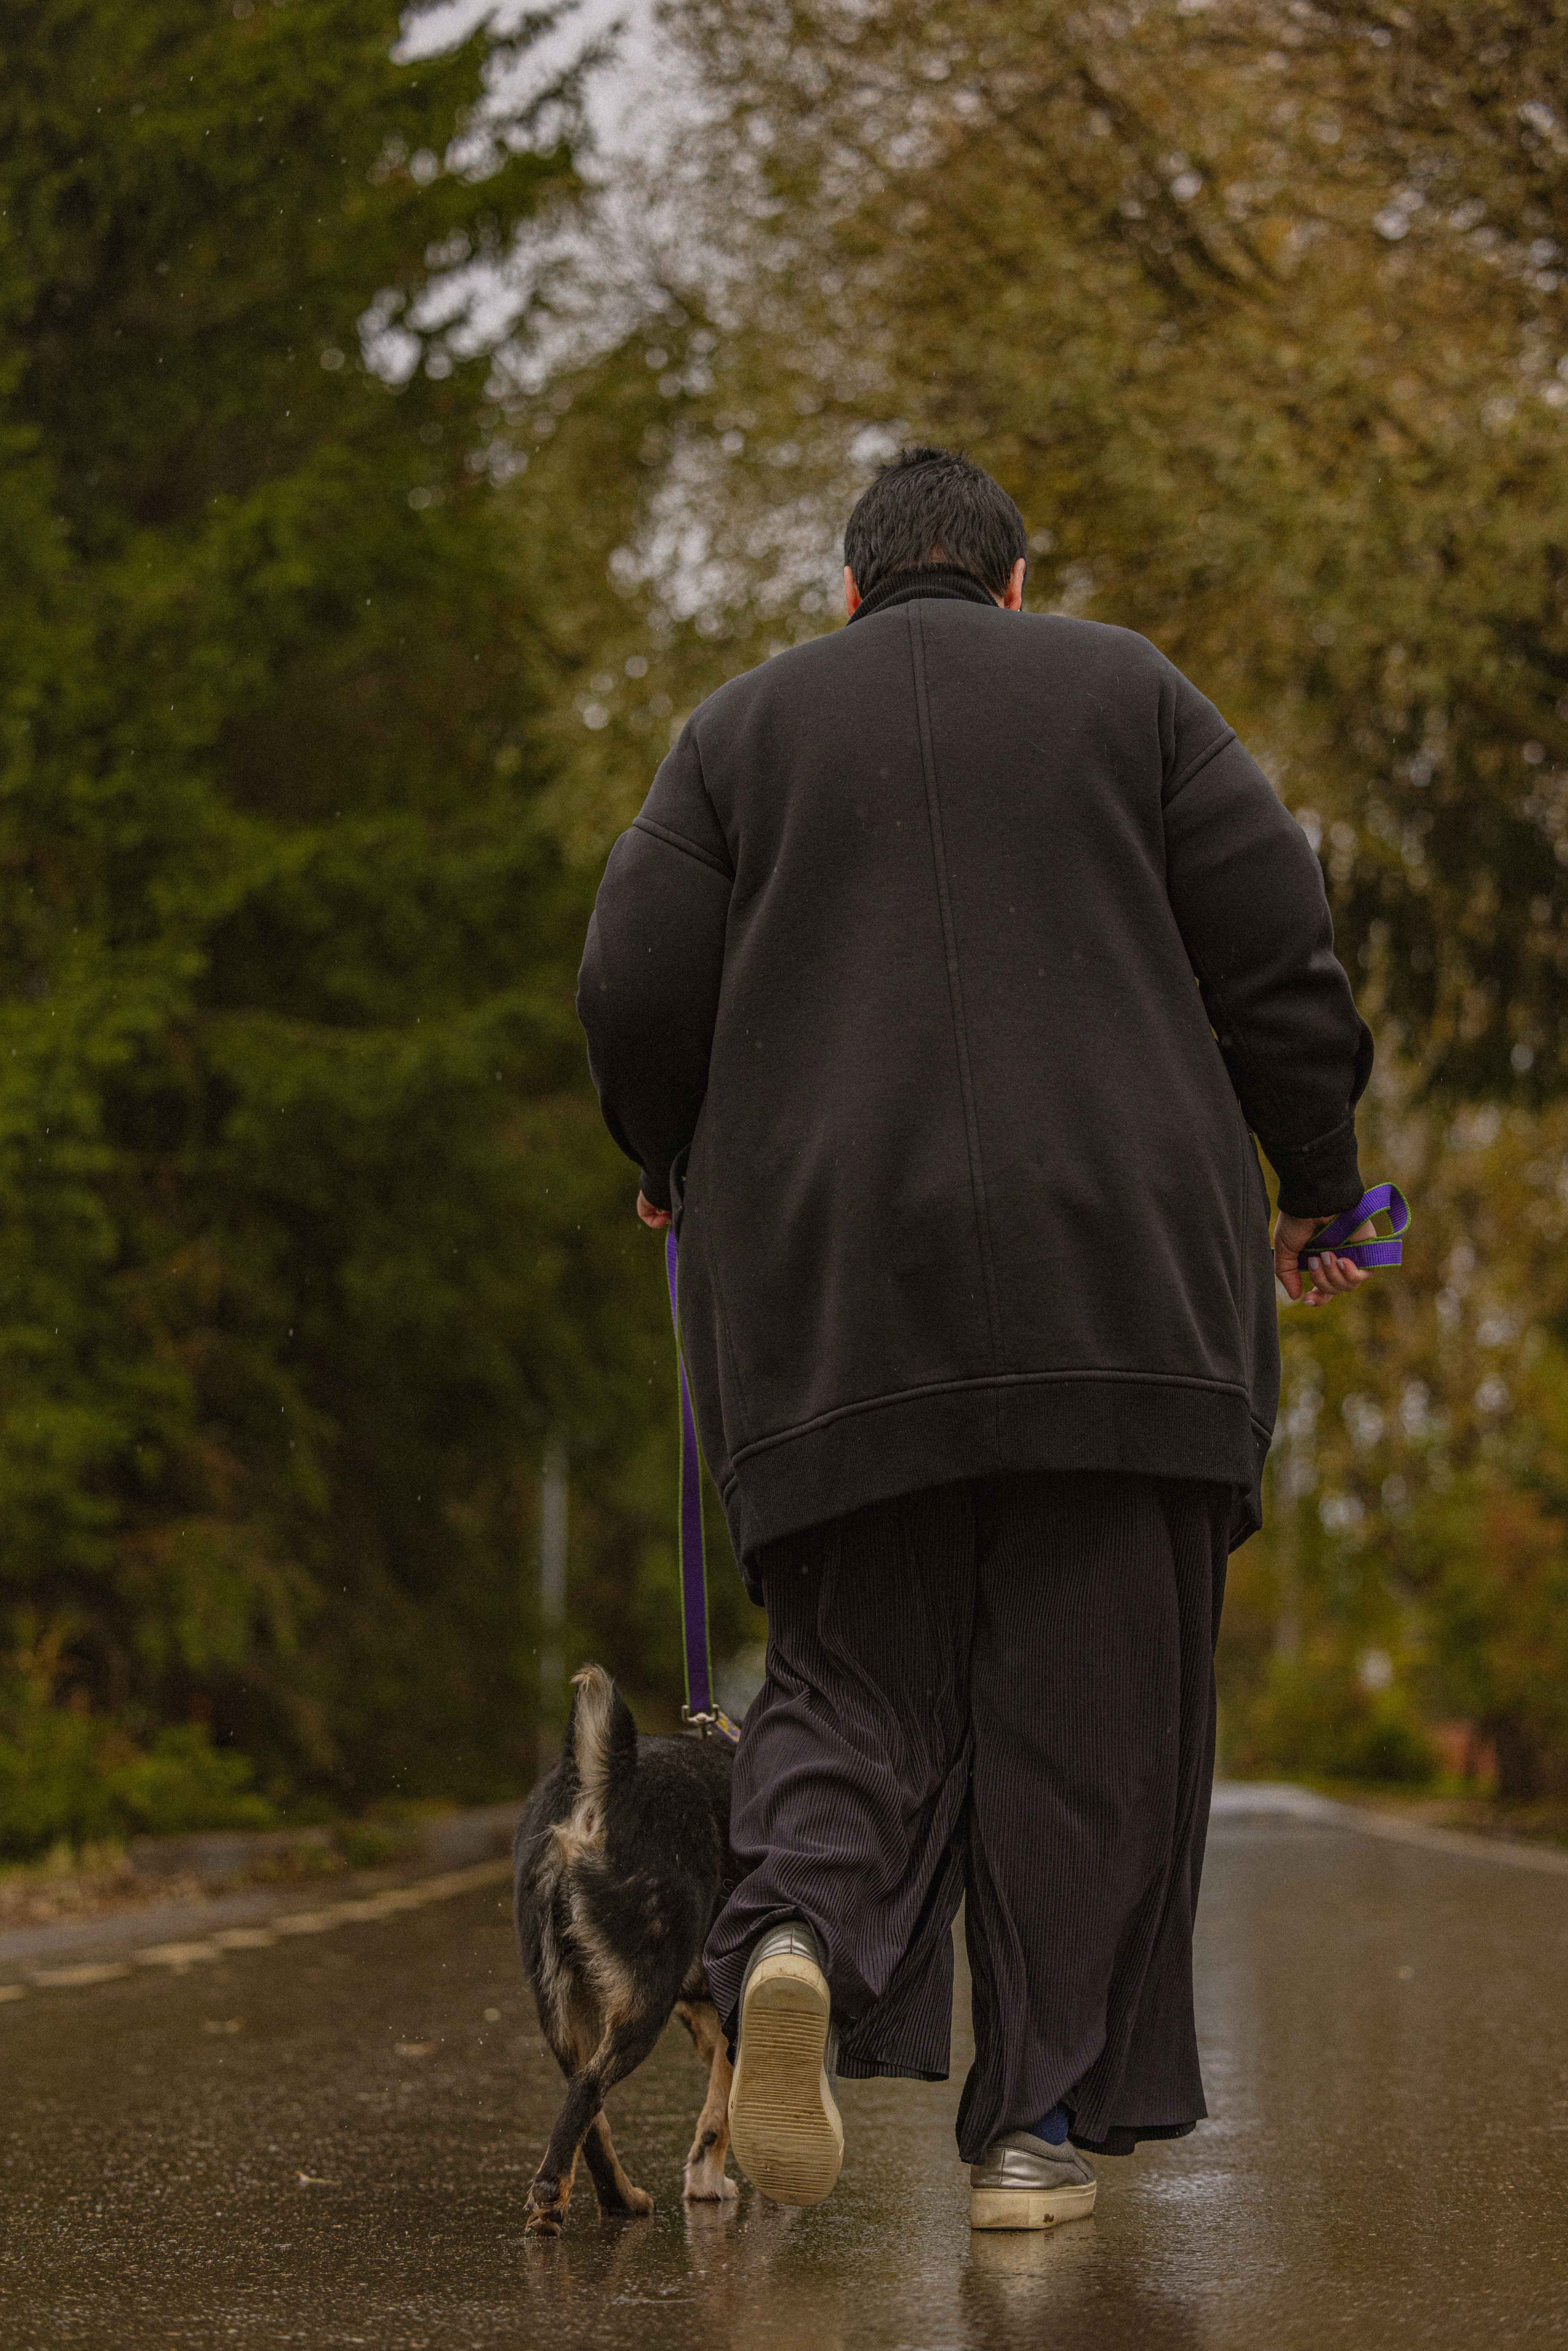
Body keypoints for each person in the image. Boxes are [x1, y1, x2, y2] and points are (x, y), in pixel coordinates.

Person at [576, 447, 1374, 2230]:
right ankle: (1033, 2138)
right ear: (1018, 583)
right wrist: (1318, 1179)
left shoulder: (735, 736)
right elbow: (1278, 948)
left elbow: (631, 981)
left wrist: (665, 1156)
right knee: (1088, 1726)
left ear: (848, 597)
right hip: (1127, 1300)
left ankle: (791, 1934)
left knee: (856, 1686)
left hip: (843, 1309)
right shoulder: (1134, 691)